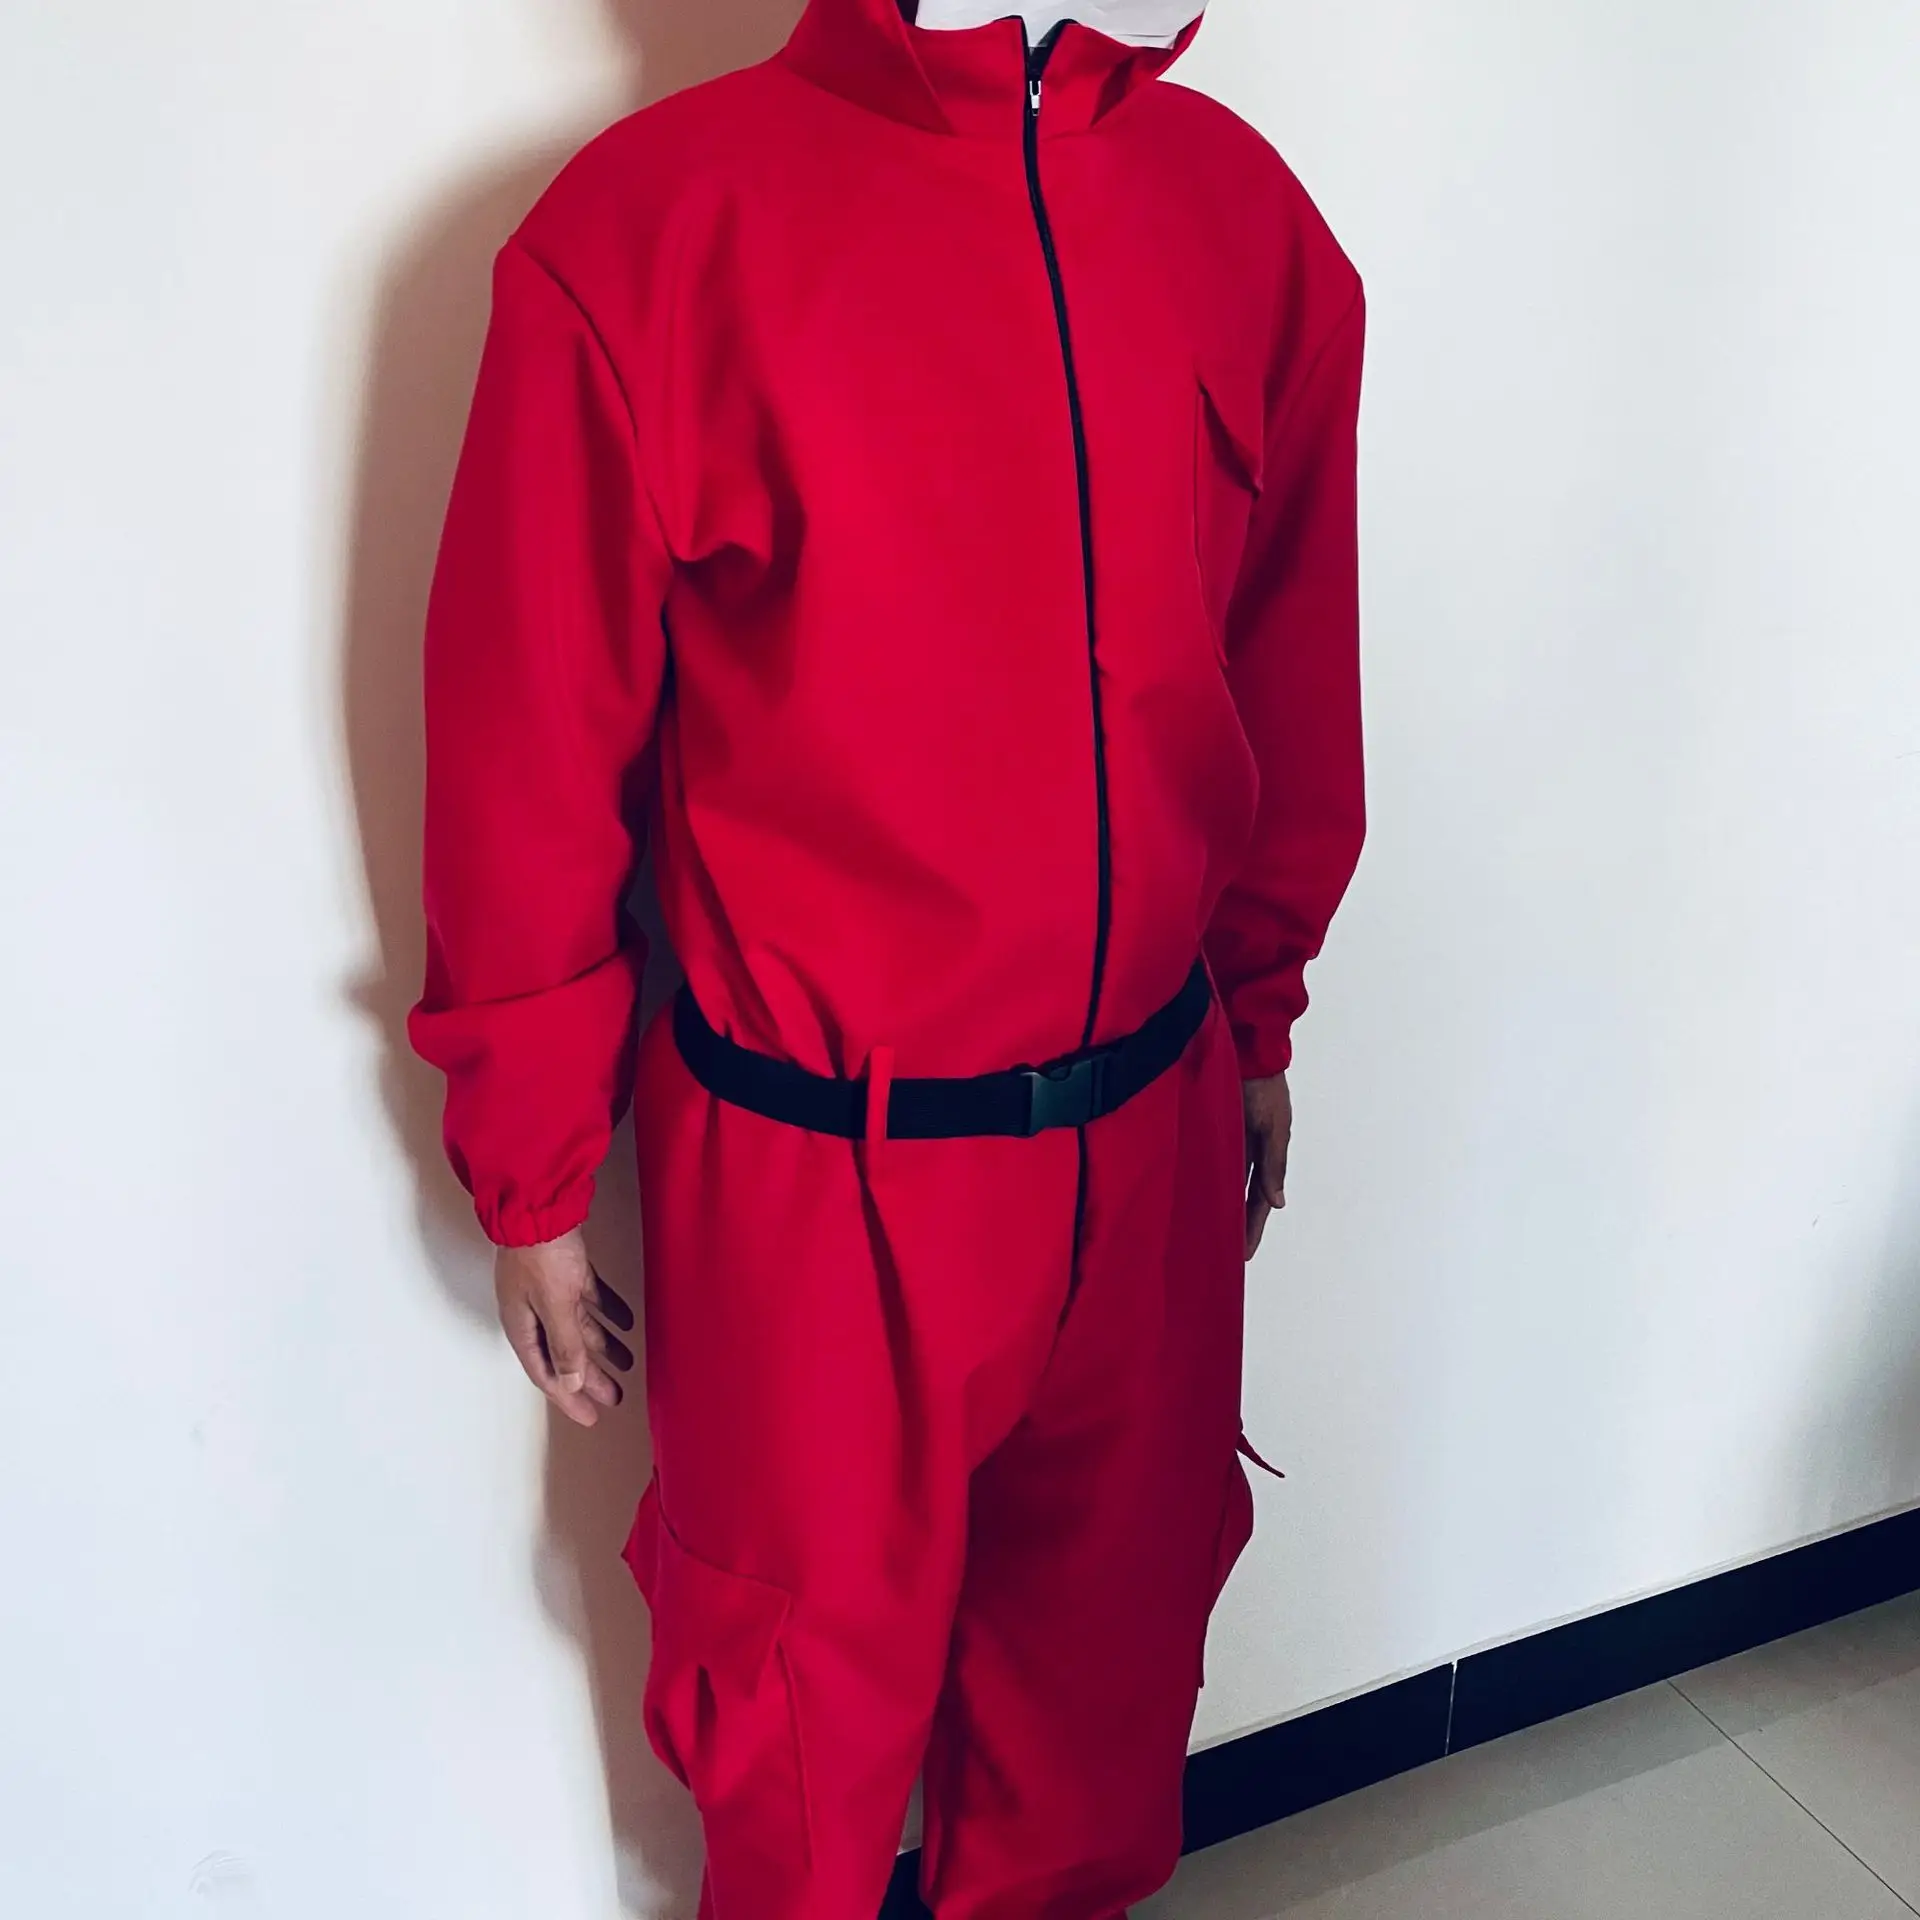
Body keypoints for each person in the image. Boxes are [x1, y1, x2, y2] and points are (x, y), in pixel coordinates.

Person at [409, 1, 1364, 1914]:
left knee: (1099, 1712)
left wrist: (1255, 1016)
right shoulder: (654, 233)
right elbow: (530, 738)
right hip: (815, 1180)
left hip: (1151, 1138)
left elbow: (1286, 656)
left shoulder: (1245, 220)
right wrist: (536, 1169)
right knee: (789, 1739)